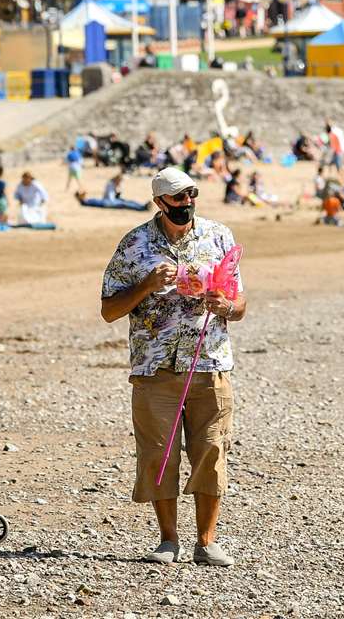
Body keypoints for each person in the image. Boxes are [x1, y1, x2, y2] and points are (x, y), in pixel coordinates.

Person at [99, 167, 247, 568]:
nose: (186, 205)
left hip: (209, 362)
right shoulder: (134, 244)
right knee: (157, 453)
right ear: (159, 202)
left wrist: (226, 306)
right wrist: (146, 284)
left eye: (191, 196)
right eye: (178, 199)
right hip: (155, 367)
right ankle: (168, 540)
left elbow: (240, 304)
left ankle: (207, 541)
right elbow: (109, 310)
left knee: (212, 449)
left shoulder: (219, 236)